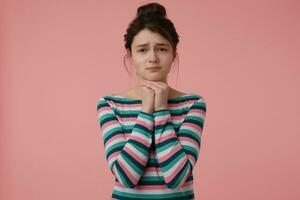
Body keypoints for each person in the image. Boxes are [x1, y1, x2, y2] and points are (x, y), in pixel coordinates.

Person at [96, 2, 207, 200]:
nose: (152, 58)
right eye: (142, 50)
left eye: (162, 49)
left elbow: (176, 177)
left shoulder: (193, 104)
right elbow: (126, 176)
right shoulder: (110, 105)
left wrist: (162, 109)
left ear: (173, 55)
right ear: (130, 56)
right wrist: (146, 111)